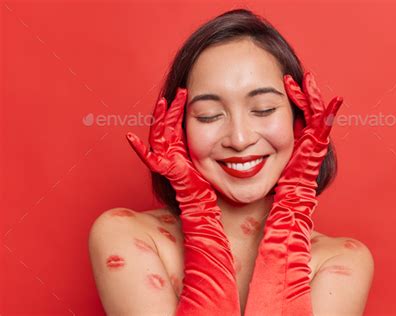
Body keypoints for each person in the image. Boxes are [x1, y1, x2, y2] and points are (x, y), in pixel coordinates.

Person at [88, 8, 374, 316]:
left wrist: (294, 206)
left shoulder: (343, 261)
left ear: (299, 120)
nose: (239, 138)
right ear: (178, 127)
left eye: (263, 109)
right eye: (209, 115)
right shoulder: (123, 234)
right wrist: (198, 214)